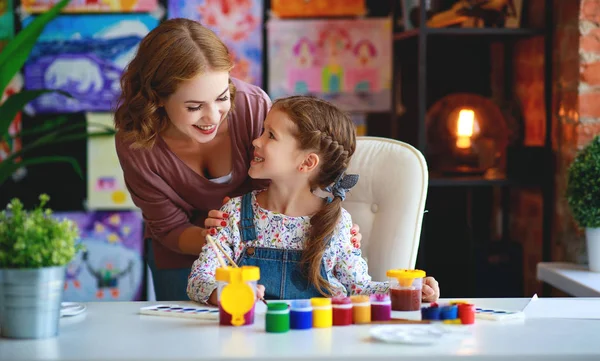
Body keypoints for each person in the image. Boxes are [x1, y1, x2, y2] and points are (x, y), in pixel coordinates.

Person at [113, 18, 362, 301]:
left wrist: (329, 231)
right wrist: (224, 239)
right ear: (156, 99)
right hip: (184, 257)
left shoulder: (253, 106)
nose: (212, 117)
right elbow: (169, 229)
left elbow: (291, 177)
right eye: (194, 107)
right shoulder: (137, 144)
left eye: (221, 98)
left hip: (263, 248)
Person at [187, 96, 440, 304]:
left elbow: (358, 288)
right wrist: (225, 292)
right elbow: (198, 280)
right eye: (263, 131)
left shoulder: (337, 223)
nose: (256, 140)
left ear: (307, 162)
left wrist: (411, 289)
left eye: (270, 135)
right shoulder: (234, 214)